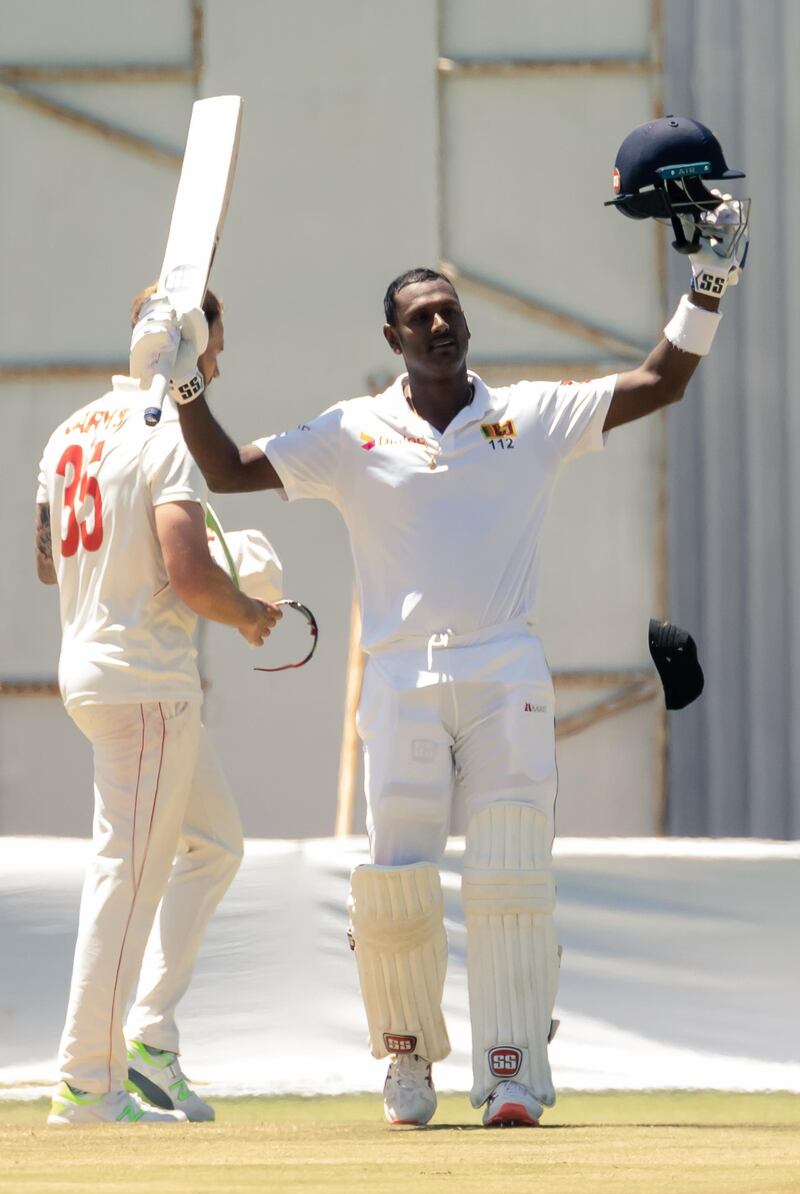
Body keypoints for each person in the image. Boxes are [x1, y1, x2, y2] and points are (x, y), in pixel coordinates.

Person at [142, 119, 748, 1127]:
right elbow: (224, 471)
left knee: (511, 866)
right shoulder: (349, 431)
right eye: (420, 317)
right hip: (398, 675)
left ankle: (510, 1068)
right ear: (392, 338)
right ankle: (406, 1061)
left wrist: (711, 281)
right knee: (397, 883)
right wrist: (189, 377)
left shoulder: (526, 416)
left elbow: (659, 381)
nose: (439, 327)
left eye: (449, 312)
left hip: (503, 662)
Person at [36, 287, 281, 1125]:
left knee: (213, 844)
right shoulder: (167, 432)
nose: (220, 362)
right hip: (145, 682)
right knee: (126, 878)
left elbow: (48, 559)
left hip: (93, 666)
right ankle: (86, 1082)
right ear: (195, 344)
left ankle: (148, 1037)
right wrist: (248, 608)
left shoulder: (70, 429)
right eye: (218, 343)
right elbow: (186, 573)